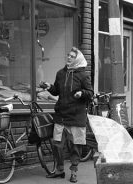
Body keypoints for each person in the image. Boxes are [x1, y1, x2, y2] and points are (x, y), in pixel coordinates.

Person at [40, 47, 93, 183]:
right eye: (68, 55)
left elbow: (90, 93)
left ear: (78, 59)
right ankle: (59, 170)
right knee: (57, 144)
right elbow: (57, 91)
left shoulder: (83, 75)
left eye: (72, 56)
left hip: (76, 116)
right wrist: (48, 86)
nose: (68, 57)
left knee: (75, 146)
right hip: (61, 115)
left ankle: (74, 171)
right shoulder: (60, 73)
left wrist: (82, 93)